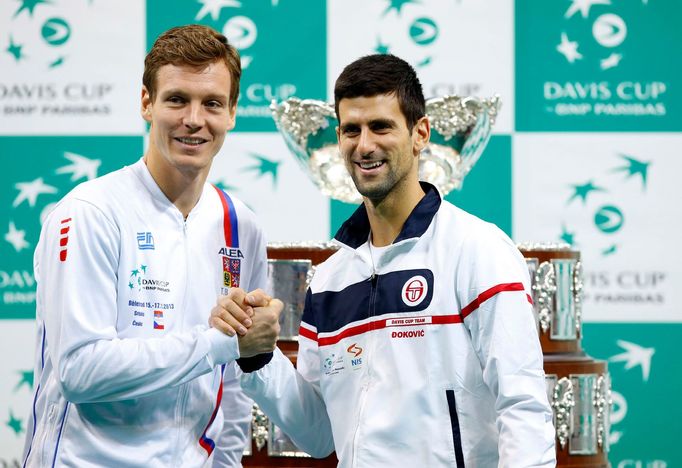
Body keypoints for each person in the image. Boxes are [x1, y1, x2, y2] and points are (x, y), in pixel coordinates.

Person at [215, 54, 556, 467]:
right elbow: (319, 434)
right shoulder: (330, 280)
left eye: (381, 127)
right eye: (351, 130)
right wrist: (259, 360)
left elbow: (523, 407)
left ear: (420, 134)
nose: (365, 145)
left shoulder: (477, 249)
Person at [21, 24, 280, 467]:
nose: (194, 119)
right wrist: (217, 344)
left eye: (212, 103)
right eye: (177, 99)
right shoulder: (89, 211)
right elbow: (80, 372)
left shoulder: (241, 227)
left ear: (232, 113)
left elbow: (234, 385)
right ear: (147, 103)